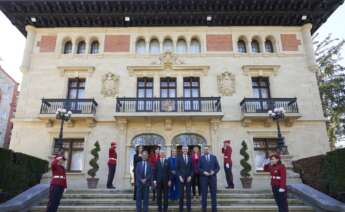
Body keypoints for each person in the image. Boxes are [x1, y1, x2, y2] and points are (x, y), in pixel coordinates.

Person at [199, 146, 220, 212]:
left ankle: (214, 210)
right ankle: (204, 209)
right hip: (203, 179)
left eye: (207, 149)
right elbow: (198, 168)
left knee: (213, 195)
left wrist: (214, 171)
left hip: (212, 178)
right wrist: (203, 172)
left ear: (209, 150)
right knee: (204, 195)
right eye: (205, 149)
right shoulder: (201, 158)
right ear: (203, 150)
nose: (206, 150)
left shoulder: (214, 157)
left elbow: (218, 167)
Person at [176, 145, 193, 212]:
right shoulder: (178, 158)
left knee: (188, 195)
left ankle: (189, 209)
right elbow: (177, 169)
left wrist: (191, 176)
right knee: (181, 195)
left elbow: (192, 169)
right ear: (182, 150)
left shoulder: (190, 158)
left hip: (188, 179)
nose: (185, 150)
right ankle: (181, 209)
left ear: (187, 150)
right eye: (184, 149)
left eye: (186, 149)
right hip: (181, 179)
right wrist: (179, 176)